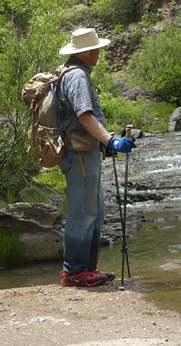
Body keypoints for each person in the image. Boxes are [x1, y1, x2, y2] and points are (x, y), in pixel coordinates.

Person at [55, 27, 135, 287]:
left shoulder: (71, 72)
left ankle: (87, 268)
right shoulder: (77, 76)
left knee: (95, 209)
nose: (100, 52)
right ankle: (74, 271)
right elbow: (84, 116)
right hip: (79, 154)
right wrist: (111, 141)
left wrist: (106, 141)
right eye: (97, 49)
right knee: (83, 212)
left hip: (83, 151)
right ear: (88, 52)